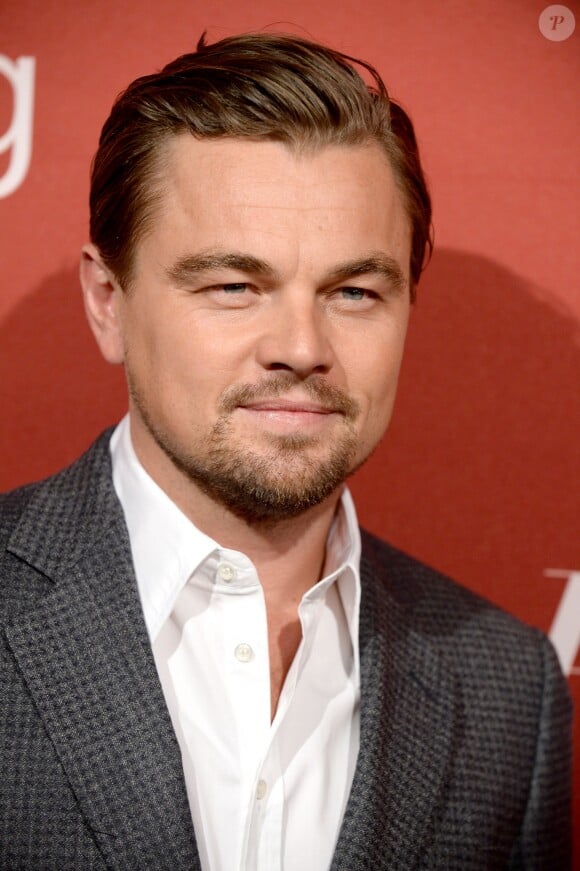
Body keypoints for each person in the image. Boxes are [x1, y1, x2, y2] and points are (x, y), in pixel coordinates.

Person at [0, 32, 571, 871]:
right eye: (233, 286)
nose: (301, 346)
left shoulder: (507, 692)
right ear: (108, 302)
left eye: (353, 291)